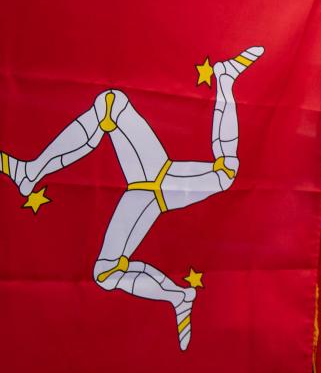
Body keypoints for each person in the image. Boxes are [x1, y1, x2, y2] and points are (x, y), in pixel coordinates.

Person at [0, 46, 263, 351]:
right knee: (221, 172)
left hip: (150, 190)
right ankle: (31, 171)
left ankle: (178, 296)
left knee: (106, 272)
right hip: (154, 185)